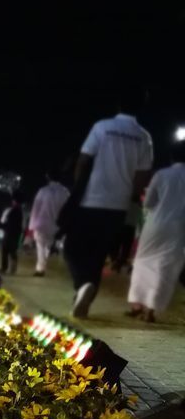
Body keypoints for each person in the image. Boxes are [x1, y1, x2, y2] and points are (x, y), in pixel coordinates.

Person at [59, 99, 153, 317]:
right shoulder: (144, 137)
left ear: (119, 104)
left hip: (92, 198)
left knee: (72, 246)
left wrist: (78, 188)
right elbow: (142, 176)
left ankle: (82, 284)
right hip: (118, 206)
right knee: (98, 253)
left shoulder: (102, 127)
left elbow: (84, 159)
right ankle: (85, 292)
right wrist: (128, 195)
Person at [126, 141, 185, 321]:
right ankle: (151, 309)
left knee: (143, 261)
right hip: (179, 227)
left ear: (171, 156)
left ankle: (137, 305)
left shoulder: (162, 174)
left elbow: (148, 202)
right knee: (166, 266)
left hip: (156, 224)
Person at [27, 172, 70, 275]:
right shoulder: (65, 192)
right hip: (56, 225)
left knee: (40, 246)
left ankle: (40, 268)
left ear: (48, 177)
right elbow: (68, 210)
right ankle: (42, 265)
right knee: (48, 246)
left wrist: (31, 225)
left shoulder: (43, 191)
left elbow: (35, 208)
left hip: (41, 223)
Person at [0, 189, 23, 275]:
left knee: (6, 250)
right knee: (12, 250)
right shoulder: (19, 210)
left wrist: (2, 226)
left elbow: (8, 222)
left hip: (10, 232)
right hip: (15, 233)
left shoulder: (14, 210)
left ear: (14, 200)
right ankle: (11, 268)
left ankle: (6, 268)